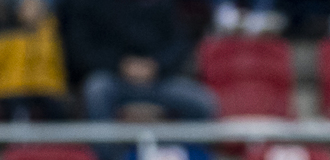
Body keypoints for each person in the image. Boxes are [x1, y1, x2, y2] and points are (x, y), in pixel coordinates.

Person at [67, 0, 217, 122]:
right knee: (96, 91)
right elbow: (82, 48)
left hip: (158, 79)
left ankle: (178, 150)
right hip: (113, 78)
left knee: (202, 103)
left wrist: (156, 65)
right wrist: (120, 65)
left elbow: (179, 43)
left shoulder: (164, 4)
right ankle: (108, 152)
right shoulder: (91, 4)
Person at [0, 0, 69, 121]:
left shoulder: (51, 31)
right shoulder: (8, 33)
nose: (31, 11)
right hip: (11, 91)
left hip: (46, 90)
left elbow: (55, 68)